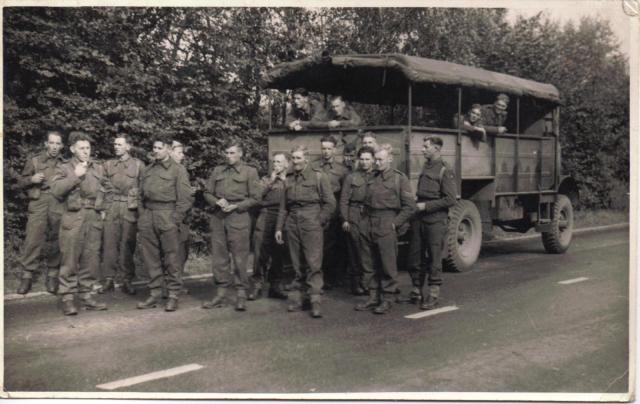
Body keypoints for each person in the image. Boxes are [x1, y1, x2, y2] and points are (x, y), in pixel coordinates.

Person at [50, 131, 110, 315]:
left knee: (90, 258)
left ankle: (86, 295)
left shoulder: (97, 168)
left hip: (93, 216)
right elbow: (56, 190)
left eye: (88, 148)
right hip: (73, 216)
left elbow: (107, 188)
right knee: (69, 258)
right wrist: (75, 176)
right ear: (72, 149)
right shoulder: (64, 168)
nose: (86, 151)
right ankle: (67, 297)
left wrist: (104, 208)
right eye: (81, 148)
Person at [275, 145, 335, 318]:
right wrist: (279, 227)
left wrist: (319, 220)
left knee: (313, 263)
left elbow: (330, 203)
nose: (295, 162)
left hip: (311, 220)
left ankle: (315, 301)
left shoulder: (318, 176)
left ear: (307, 159)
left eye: (299, 158)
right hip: (292, 222)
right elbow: (283, 207)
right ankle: (300, 298)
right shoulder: (289, 178)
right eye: (293, 158)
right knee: (296, 263)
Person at [355, 144, 415, 315]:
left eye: (381, 159)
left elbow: (409, 206)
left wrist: (395, 223)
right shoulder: (372, 177)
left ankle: (387, 298)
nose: (377, 163)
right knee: (368, 263)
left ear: (390, 159)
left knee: (387, 264)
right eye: (376, 159)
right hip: (368, 222)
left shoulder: (399, 179)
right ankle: (373, 297)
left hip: (386, 222)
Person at [136, 135, 193, 312]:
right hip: (149, 216)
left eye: (159, 148)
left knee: (172, 257)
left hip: (168, 216)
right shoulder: (148, 170)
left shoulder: (178, 170)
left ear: (168, 149)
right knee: (150, 258)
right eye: (154, 148)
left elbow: (185, 199)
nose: (156, 151)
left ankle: (173, 294)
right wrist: (142, 216)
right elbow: (140, 196)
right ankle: (154, 293)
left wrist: (175, 219)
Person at [202, 141, 260, 311]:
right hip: (219, 217)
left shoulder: (250, 171)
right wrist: (216, 201)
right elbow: (207, 192)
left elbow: (256, 197)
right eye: (227, 152)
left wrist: (237, 206)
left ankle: (241, 293)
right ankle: (220, 294)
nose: (229, 156)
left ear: (240, 154)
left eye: (232, 153)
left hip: (239, 216)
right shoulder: (217, 170)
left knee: (239, 257)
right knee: (219, 257)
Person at [14, 129, 66, 295]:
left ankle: (52, 275)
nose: (54, 146)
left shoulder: (65, 164)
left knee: (56, 239)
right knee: (33, 238)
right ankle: (27, 276)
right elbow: (19, 182)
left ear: (62, 146)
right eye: (51, 143)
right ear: (46, 144)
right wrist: (31, 179)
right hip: (39, 202)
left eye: (58, 143)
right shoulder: (35, 161)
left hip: (58, 202)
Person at [408, 136, 456, 310]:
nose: (422, 149)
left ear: (436, 148)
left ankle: (433, 294)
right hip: (420, 218)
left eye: (425, 147)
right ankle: (416, 290)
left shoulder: (445, 169)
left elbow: (451, 199)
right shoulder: (427, 165)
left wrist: (426, 205)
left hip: (435, 220)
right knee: (415, 255)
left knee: (434, 257)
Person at [100, 134, 144, 295]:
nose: (116, 146)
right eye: (115, 144)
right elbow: (102, 188)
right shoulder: (108, 165)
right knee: (109, 244)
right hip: (112, 206)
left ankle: (127, 279)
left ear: (128, 146)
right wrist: (103, 209)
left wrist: (141, 211)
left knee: (127, 243)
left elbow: (144, 189)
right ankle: (108, 279)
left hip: (129, 207)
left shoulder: (138, 165)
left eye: (119, 144)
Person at [248, 152, 290, 301]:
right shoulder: (265, 179)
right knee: (260, 250)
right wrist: (271, 181)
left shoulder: (291, 180)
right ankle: (257, 284)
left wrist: (284, 181)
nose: (276, 165)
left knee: (279, 251)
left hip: (283, 215)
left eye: (279, 162)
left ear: (287, 164)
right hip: (266, 214)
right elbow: (256, 197)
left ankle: (276, 285)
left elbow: (292, 196)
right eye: (274, 162)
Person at [312, 135, 349, 289]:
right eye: (324, 148)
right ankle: (316, 276)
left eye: (329, 148)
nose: (326, 151)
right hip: (317, 208)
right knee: (316, 244)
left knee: (333, 246)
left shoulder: (342, 170)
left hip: (334, 211)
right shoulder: (314, 167)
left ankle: (332, 276)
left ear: (334, 149)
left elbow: (345, 194)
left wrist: (341, 215)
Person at [340, 146, 376, 296]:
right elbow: (344, 200)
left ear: (373, 160)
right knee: (355, 249)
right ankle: (357, 283)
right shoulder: (351, 177)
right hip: (354, 215)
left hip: (371, 215)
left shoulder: (377, 176)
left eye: (367, 159)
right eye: (361, 159)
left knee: (369, 250)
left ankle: (369, 282)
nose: (364, 162)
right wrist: (345, 219)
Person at [170, 140, 192, 293]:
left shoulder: (181, 169)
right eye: (179, 152)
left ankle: (174, 283)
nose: (182, 156)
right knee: (176, 251)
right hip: (175, 216)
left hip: (181, 216)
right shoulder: (175, 170)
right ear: (170, 152)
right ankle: (174, 284)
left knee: (182, 249)